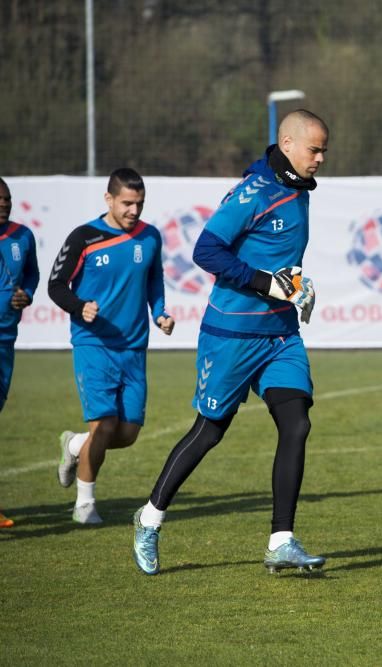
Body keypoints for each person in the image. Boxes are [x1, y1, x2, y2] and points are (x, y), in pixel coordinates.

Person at [131, 110, 326, 576]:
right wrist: (264, 283)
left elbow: (280, 262)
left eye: (323, 150)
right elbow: (206, 251)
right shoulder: (252, 194)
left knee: (296, 424)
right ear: (287, 143)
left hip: (280, 336)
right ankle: (150, 518)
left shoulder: (298, 191)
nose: (321, 158)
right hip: (232, 335)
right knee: (210, 431)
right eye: (314, 149)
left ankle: (281, 540)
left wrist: (298, 285)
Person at [47, 169, 174, 525]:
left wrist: (160, 314)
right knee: (103, 425)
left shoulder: (150, 237)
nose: (134, 210)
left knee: (127, 434)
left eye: (140, 203)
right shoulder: (84, 237)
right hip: (94, 344)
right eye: (127, 203)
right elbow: (56, 285)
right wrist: (79, 305)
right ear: (109, 199)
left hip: (134, 348)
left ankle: (73, 445)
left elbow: (154, 281)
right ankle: (84, 504)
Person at [0, 177, 40, 529]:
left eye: (7, 199)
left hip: (5, 338)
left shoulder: (22, 236)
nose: (3, 204)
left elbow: (31, 275)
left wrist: (25, 294)